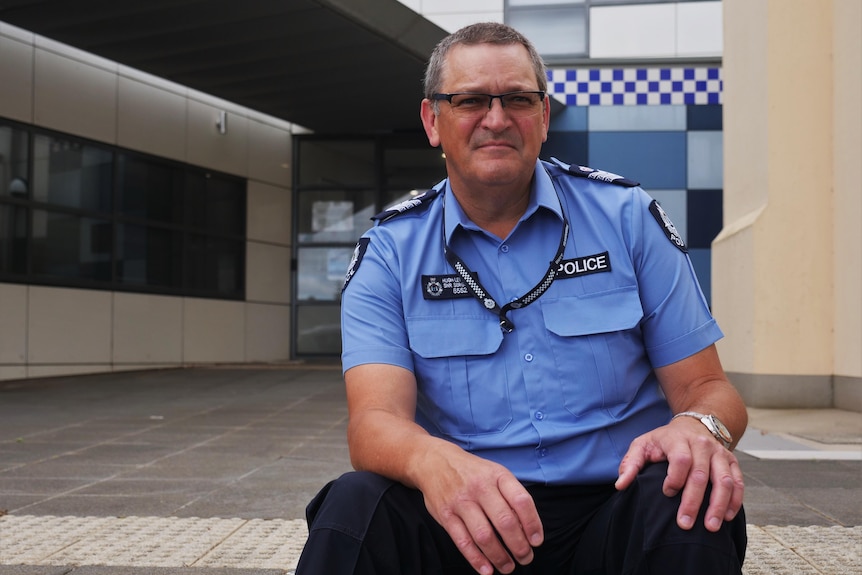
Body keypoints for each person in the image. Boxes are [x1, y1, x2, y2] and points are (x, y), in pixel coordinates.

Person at [296, 22, 748, 575]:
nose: (496, 118)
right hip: (464, 518)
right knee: (354, 505)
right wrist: (432, 460)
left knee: (690, 490)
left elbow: (710, 390)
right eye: (469, 101)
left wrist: (698, 430)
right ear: (432, 121)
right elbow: (373, 422)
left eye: (517, 98)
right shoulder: (390, 251)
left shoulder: (627, 218)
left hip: (614, 512)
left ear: (544, 116)